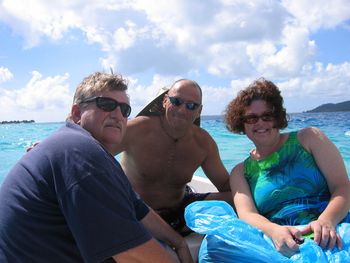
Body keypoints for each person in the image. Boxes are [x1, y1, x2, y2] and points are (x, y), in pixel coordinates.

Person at [0, 72, 193, 263]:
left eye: (125, 110)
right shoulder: (80, 152)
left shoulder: (87, 151)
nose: (118, 115)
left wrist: (179, 242)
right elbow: (129, 252)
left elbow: (139, 209)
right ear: (77, 113)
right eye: (107, 105)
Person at [224, 78, 350, 257]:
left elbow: (343, 186)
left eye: (267, 115)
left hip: (333, 228)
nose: (260, 123)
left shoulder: (309, 138)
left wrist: (326, 221)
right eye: (251, 118)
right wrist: (274, 231)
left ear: (278, 117)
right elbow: (247, 214)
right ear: (241, 124)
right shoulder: (240, 172)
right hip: (281, 241)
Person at [116, 79, 232, 235]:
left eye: (191, 106)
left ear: (199, 111)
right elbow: (91, 157)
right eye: (176, 101)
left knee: (239, 199)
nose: (183, 110)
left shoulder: (203, 143)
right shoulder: (136, 130)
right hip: (137, 212)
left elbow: (226, 185)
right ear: (165, 101)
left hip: (181, 210)